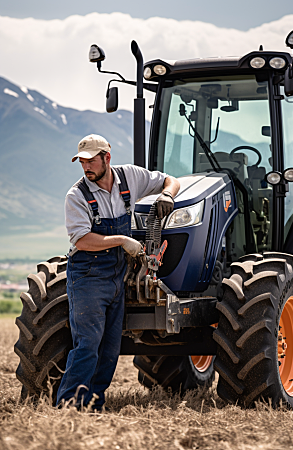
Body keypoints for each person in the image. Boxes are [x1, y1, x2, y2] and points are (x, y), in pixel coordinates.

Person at [56, 134, 180, 411]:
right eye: (82, 162)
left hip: (117, 275)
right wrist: (122, 241)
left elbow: (170, 179)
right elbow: (82, 240)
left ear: (106, 158)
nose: (86, 167)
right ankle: (69, 407)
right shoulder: (76, 196)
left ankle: (93, 405)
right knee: (88, 344)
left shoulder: (131, 177)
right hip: (88, 275)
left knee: (110, 349)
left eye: (91, 161)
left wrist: (167, 194)